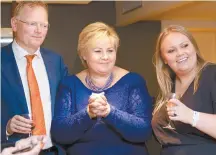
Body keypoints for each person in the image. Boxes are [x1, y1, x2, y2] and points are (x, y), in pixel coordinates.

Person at [51, 22, 152, 155]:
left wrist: (110, 112)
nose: (105, 57)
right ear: (84, 55)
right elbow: (60, 135)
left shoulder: (133, 81)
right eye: (98, 51)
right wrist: (87, 114)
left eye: (110, 50)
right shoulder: (69, 84)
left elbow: (144, 132)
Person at [1, 1, 68, 154]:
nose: (39, 31)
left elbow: (66, 107)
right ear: (14, 24)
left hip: (54, 150)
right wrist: (6, 126)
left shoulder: (56, 61)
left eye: (44, 25)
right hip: (15, 150)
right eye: (32, 24)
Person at [151, 25, 216, 155]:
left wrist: (191, 116)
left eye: (185, 46)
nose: (180, 53)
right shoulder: (169, 85)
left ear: (194, 47)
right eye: (171, 50)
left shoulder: (212, 74)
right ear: (164, 59)